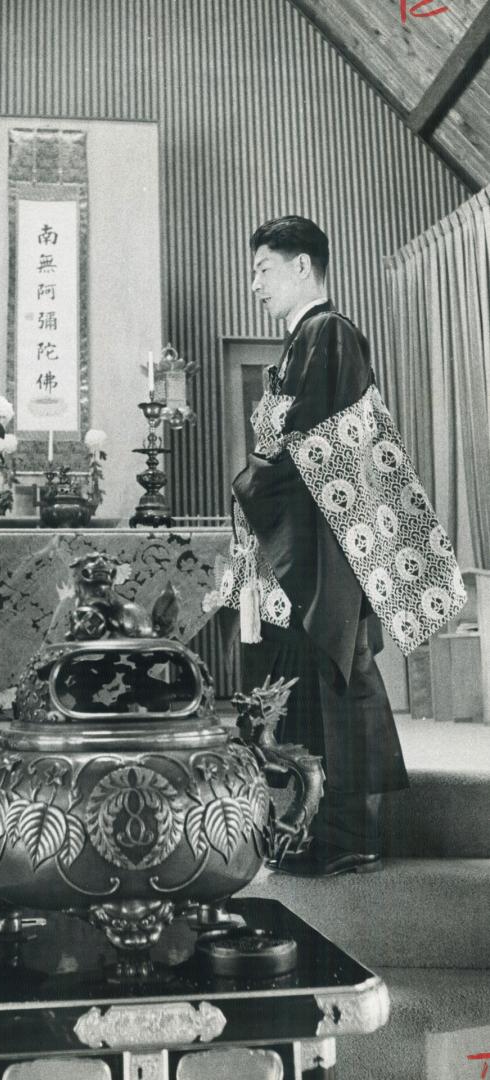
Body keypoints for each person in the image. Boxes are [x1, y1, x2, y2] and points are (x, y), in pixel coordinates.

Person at [219, 215, 465, 877]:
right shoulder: (310, 340)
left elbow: (303, 445)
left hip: (326, 547)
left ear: (304, 267)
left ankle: (345, 832)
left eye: (264, 269)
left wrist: (250, 481)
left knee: (333, 678)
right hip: (312, 542)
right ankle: (322, 825)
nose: (255, 285)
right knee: (320, 680)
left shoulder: (327, 334)